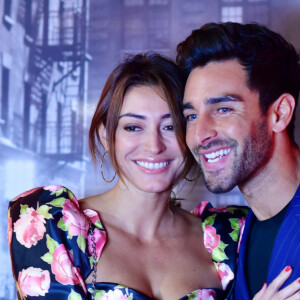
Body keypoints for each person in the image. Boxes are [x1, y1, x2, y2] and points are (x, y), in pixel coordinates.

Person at [8, 52, 248, 300]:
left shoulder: (229, 238)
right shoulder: (47, 224)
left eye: (170, 126)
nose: (154, 146)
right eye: (133, 127)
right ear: (106, 136)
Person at [176, 22, 300, 300]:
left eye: (223, 109)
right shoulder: (238, 238)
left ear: (279, 113)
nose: (200, 135)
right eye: (192, 116)